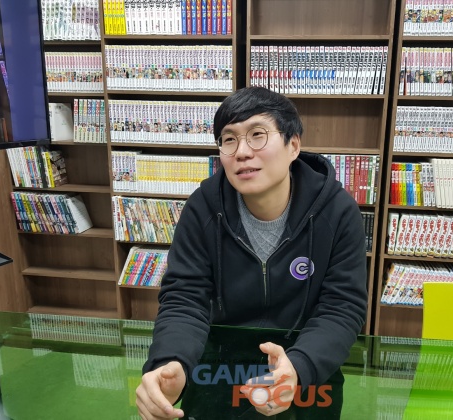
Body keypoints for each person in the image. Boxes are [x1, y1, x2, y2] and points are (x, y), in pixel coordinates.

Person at [136, 86, 368, 419]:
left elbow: (342, 306)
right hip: (217, 369)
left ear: (293, 145)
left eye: (257, 135)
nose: (242, 152)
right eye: (229, 139)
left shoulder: (337, 211)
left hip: (307, 365)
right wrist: (170, 361)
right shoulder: (202, 209)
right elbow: (184, 298)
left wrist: (299, 367)